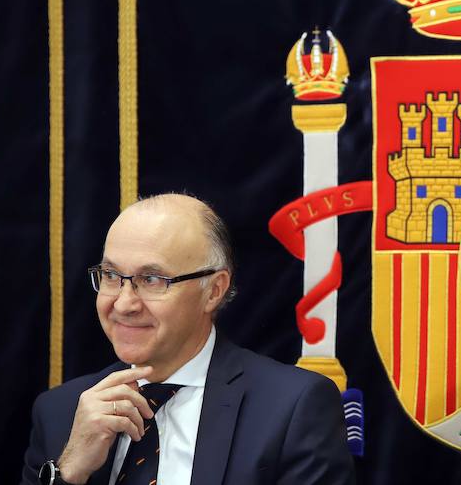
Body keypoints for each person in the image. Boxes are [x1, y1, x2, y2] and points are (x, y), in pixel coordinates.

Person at [21, 193, 355, 485]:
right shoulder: (60, 412)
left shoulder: (291, 408)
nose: (123, 303)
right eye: (111, 276)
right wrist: (68, 473)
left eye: (151, 279)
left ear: (214, 290)